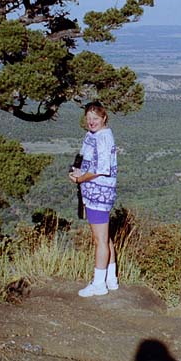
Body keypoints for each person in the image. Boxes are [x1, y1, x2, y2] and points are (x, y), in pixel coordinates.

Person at [69, 101, 119, 297]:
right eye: (89, 118)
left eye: (95, 118)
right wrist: (77, 173)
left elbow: (101, 169)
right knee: (105, 238)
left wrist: (81, 178)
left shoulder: (103, 138)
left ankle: (99, 284)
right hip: (94, 191)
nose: (91, 122)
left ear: (104, 118)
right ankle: (111, 279)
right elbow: (89, 162)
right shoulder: (95, 135)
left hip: (99, 193)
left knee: (99, 240)